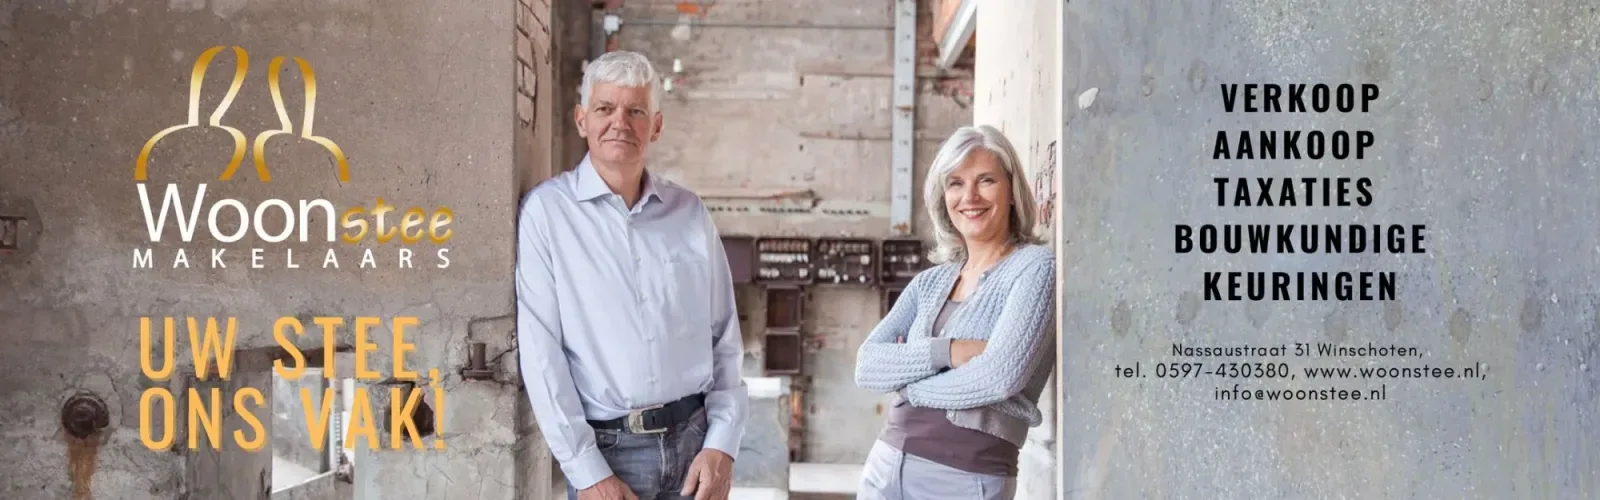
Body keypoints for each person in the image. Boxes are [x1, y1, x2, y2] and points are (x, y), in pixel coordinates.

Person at [515, 50, 748, 500]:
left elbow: (724, 337)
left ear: (655, 126)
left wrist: (724, 443)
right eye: (605, 108)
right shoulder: (547, 214)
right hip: (611, 455)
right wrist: (587, 473)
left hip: (696, 450)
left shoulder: (690, 213)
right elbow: (543, 355)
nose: (619, 122)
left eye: (635, 111)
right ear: (582, 119)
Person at [852, 125, 1057, 499]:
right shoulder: (931, 282)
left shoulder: (1034, 268)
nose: (970, 197)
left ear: (1012, 191)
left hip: (966, 477)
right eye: (956, 184)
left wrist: (909, 386)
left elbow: (999, 377)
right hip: (886, 464)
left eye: (986, 181)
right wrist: (949, 352)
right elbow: (867, 365)